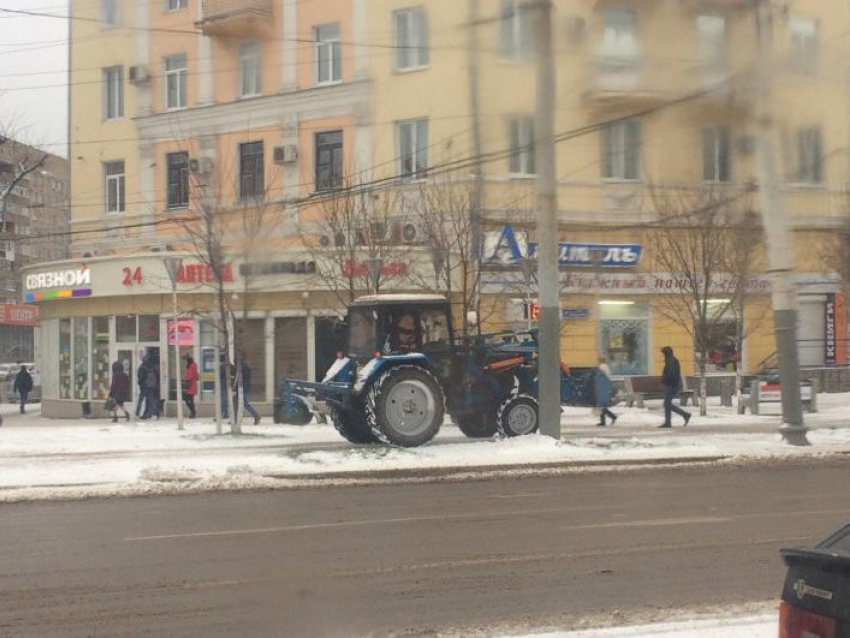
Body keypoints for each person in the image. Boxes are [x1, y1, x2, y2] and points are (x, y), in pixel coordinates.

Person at [659, 346, 691, 428]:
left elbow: (671, 373)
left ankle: (681, 416)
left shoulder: (671, 361)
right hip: (672, 384)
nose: (662, 355)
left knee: (667, 403)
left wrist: (665, 381)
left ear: (666, 353)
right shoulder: (670, 360)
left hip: (672, 385)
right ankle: (681, 416)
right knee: (667, 404)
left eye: (663, 353)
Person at [594, 356, 617, 427]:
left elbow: (599, 377)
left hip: (602, 387)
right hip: (605, 386)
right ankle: (606, 420)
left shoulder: (601, 367)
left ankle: (608, 419)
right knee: (602, 405)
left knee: (601, 405)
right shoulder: (606, 366)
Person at [240, 360, 260, 425]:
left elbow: (241, 379)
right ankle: (236, 419)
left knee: (245, 404)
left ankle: (256, 415)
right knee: (243, 404)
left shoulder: (241, 369)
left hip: (242, 388)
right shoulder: (246, 367)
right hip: (245, 388)